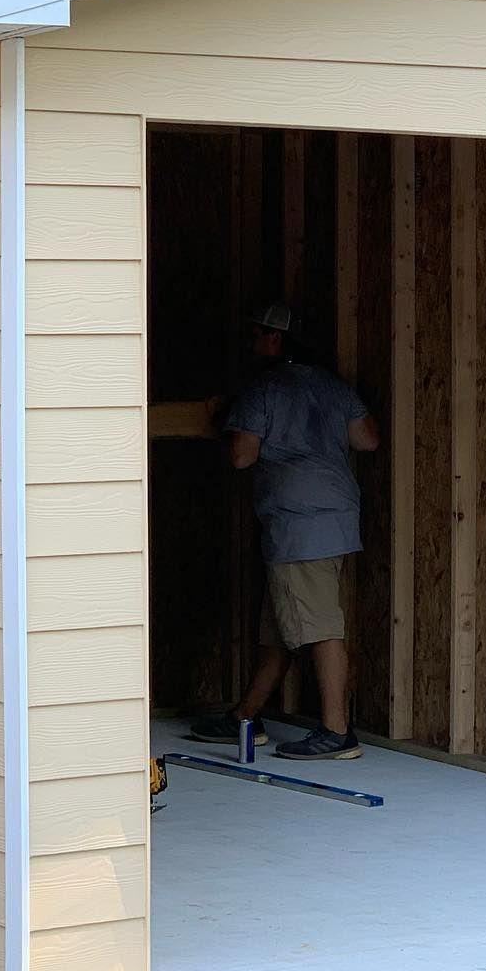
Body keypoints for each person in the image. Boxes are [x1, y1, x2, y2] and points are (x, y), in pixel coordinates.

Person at [191, 303, 380, 760]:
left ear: (273, 340)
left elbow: (241, 457)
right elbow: (367, 439)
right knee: (280, 627)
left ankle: (337, 733)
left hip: (297, 526)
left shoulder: (263, 389)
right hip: (334, 519)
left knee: (319, 626)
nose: (252, 343)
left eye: (256, 334)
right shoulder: (334, 385)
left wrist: (223, 423)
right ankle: (245, 718)